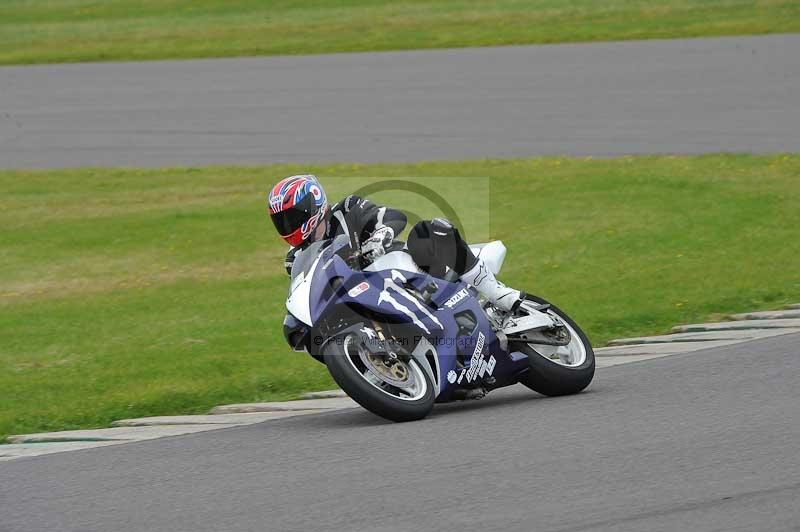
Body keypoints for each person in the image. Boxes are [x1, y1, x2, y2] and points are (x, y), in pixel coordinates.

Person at [268, 174, 524, 312]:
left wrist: (382, 234)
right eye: (282, 221)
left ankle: (496, 292)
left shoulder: (347, 209)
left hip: (404, 270)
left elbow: (391, 216)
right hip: (365, 297)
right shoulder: (294, 259)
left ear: (313, 206)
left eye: (292, 217)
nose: (288, 226)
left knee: (427, 231)